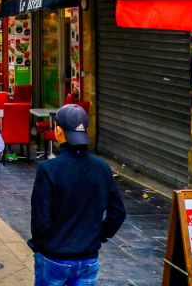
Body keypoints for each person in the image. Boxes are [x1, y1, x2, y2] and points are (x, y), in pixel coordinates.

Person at [29, 104, 126, 286]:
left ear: (58, 131)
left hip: (54, 255)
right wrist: (98, 235)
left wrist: (42, 245)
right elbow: (118, 213)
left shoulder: (49, 170)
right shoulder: (102, 168)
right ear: (86, 131)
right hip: (87, 257)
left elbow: (40, 220)